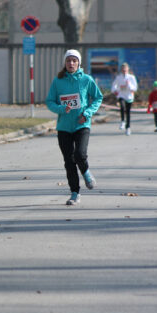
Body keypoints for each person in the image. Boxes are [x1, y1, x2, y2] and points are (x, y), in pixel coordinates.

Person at [46, 49, 103, 206]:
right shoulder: (58, 81)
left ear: (79, 63)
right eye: (68, 60)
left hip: (82, 124)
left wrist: (88, 112)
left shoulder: (86, 80)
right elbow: (50, 101)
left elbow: (98, 97)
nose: (71, 63)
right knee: (68, 161)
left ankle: (86, 173)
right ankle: (74, 193)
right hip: (64, 126)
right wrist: (61, 109)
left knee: (79, 154)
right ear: (65, 63)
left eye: (74, 60)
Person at [111, 62, 138, 135]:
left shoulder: (131, 77)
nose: (124, 70)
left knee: (128, 112)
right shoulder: (119, 77)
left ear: (128, 69)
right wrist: (115, 91)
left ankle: (128, 127)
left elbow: (135, 88)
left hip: (129, 96)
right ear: (121, 70)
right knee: (122, 107)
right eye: (123, 69)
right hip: (121, 95)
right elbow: (114, 86)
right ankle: (122, 121)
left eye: (125, 69)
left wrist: (129, 85)